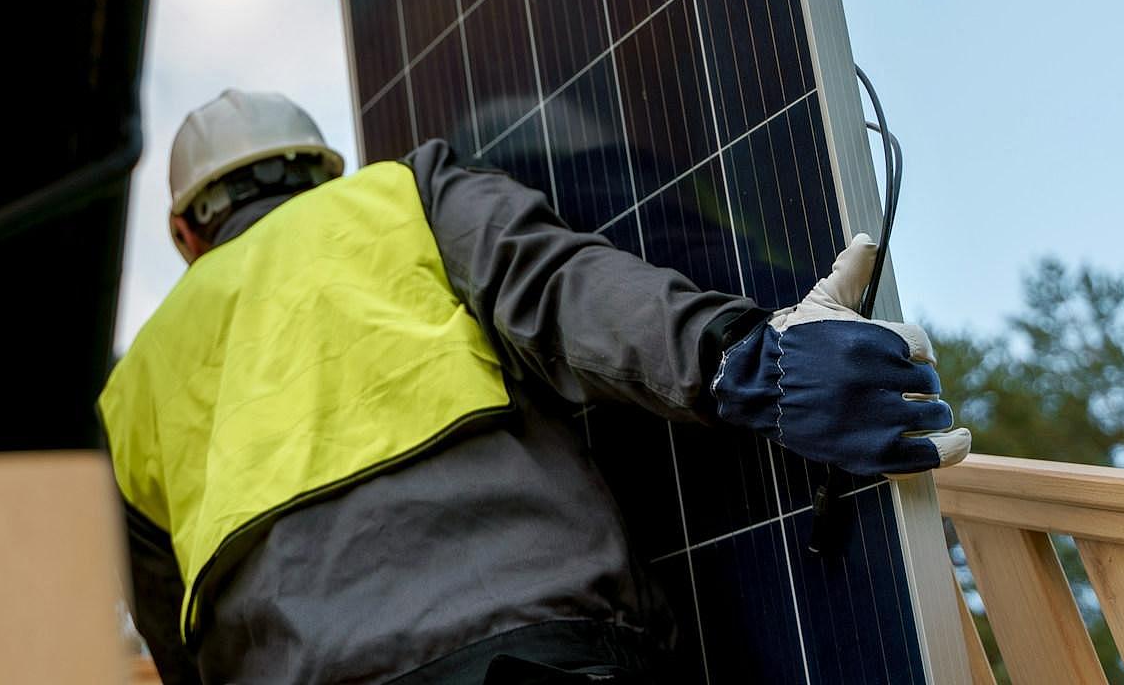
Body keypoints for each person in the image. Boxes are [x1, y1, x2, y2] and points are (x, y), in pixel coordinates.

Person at [101, 89, 970, 684]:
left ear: (186, 230)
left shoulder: (131, 387)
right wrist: (741, 358)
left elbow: (168, 633)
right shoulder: (395, 197)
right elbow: (566, 292)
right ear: (320, 171)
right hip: (531, 650)